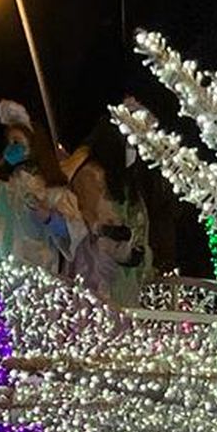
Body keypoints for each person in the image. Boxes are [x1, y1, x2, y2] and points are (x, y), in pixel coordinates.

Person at [0, 100, 84, 275]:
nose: (12, 147)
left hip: (38, 274)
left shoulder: (53, 191)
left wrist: (50, 218)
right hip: (1, 273)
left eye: (17, 141)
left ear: (34, 144)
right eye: (9, 142)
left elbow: (75, 231)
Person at [68, 121, 152, 306]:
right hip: (95, 260)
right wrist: (112, 232)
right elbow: (87, 218)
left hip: (121, 261)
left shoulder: (126, 183)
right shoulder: (91, 174)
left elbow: (138, 217)